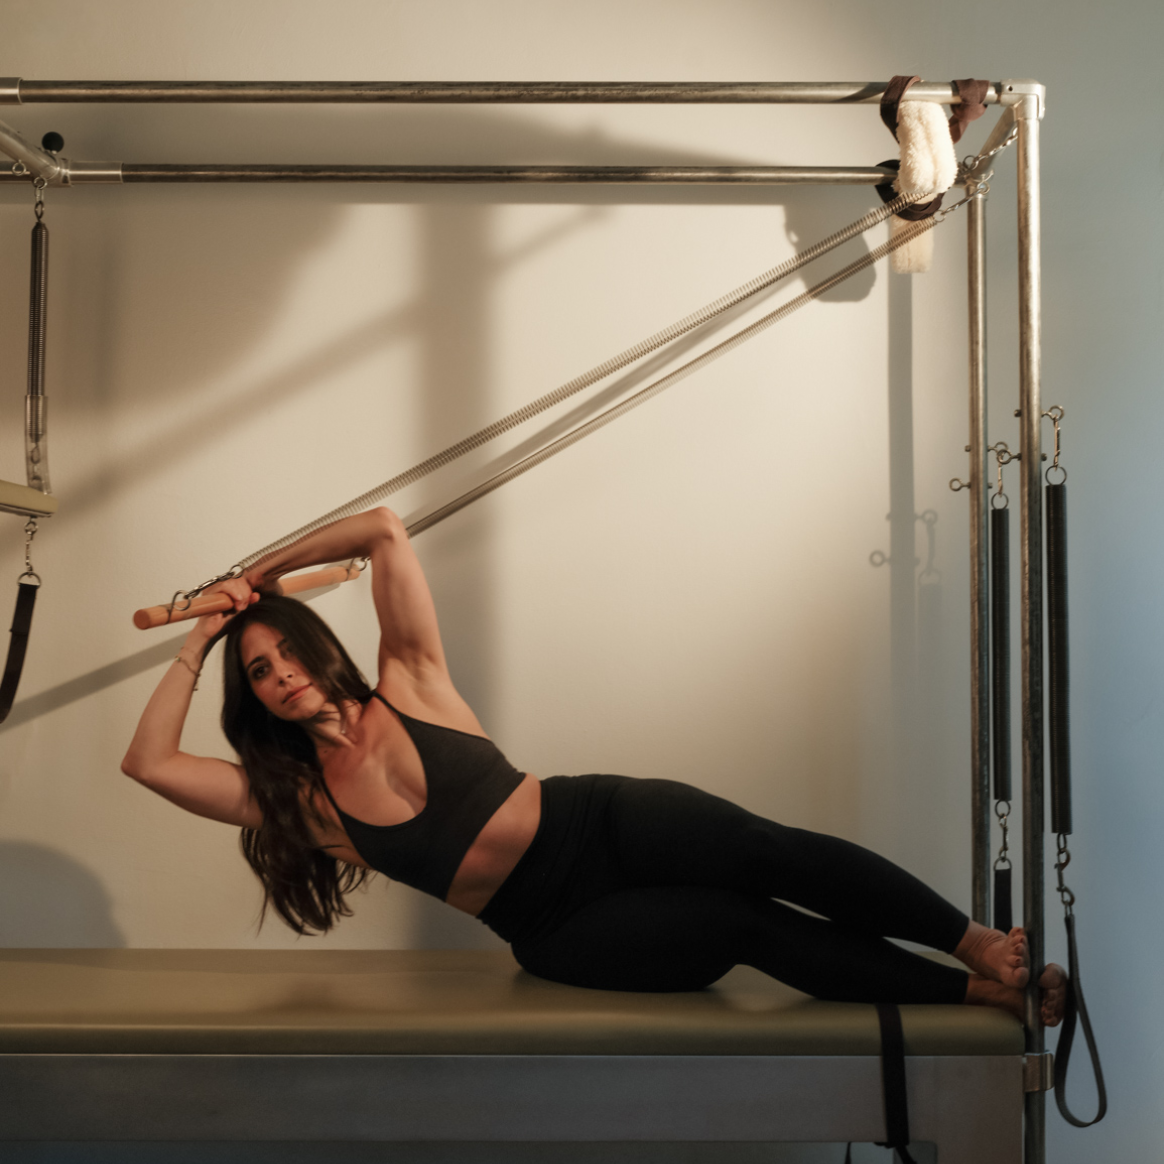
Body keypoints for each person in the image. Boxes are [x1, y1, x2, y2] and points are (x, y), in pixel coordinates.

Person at [122, 508, 1065, 1022]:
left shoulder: (408, 680)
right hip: (558, 924)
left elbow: (381, 531)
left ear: (319, 649)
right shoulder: (303, 802)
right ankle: (981, 994)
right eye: (260, 671)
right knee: (742, 923)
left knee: (767, 849)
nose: (281, 674)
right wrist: (203, 639)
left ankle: (975, 942)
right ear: (252, 696)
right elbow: (150, 763)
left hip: (596, 821)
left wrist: (260, 579)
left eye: (286, 652)